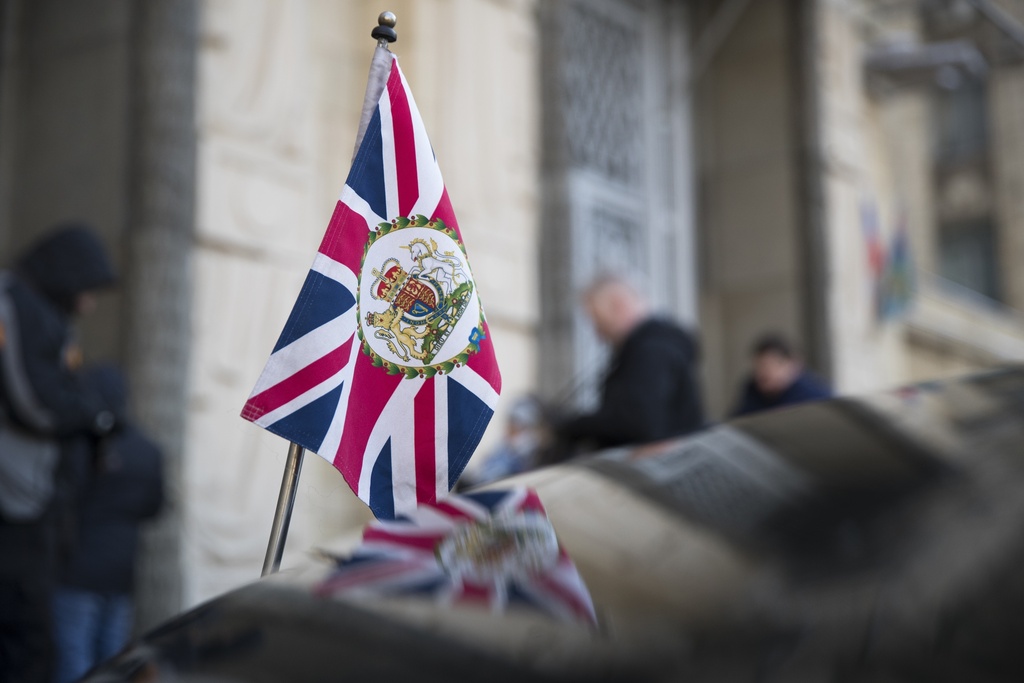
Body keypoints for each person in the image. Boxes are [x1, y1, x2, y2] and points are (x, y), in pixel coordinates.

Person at [0, 224, 117, 683]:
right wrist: (91, 417)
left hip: (37, 506)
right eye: (85, 290)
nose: (87, 305)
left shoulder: (46, 314)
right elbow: (34, 401)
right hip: (14, 501)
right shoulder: (11, 302)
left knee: (33, 641)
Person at [52, 364, 164, 683]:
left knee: (74, 661)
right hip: (121, 571)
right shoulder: (148, 449)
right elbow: (154, 507)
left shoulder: (79, 444)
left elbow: (63, 500)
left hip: (77, 570)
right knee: (113, 664)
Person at [554, 275, 704, 454]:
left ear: (618, 305)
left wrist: (571, 426)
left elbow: (636, 424)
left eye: (598, 320)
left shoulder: (651, 351)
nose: (597, 333)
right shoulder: (652, 346)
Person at [731, 333, 832, 417]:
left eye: (772, 365)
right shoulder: (752, 391)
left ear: (794, 364)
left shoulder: (815, 398)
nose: (764, 372)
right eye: (759, 366)